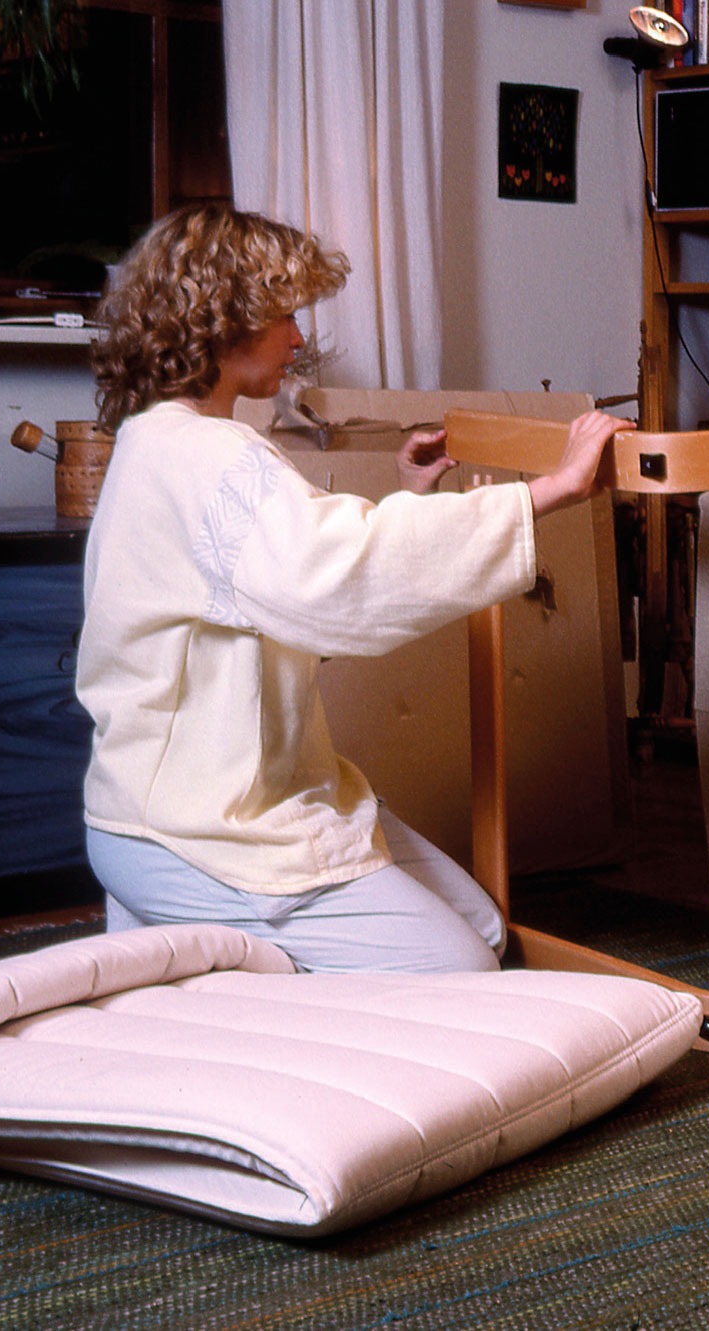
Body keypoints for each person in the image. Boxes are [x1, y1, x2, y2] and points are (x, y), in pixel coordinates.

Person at [77, 204, 627, 973]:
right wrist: (550, 490)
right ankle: (225, 975)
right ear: (223, 319)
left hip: (186, 800)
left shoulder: (158, 441)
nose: (298, 337)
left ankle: (199, 953)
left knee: (485, 931)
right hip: (201, 823)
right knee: (461, 971)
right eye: (283, 314)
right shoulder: (206, 456)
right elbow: (336, 582)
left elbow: (299, 592)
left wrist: (416, 495)